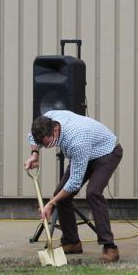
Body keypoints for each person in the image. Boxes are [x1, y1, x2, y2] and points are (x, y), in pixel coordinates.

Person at [25, 110, 123, 263]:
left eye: (47, 143)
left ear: (55, 130)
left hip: (106, 152)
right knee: (61, 195)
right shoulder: (48, 119)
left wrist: (51, 203)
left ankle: (110, 247)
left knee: (93, 193)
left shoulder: (76, 141)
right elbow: (32, 137)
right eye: (43, 144)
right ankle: (72, 243)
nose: (46, 146)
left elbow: (75, 182)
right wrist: (34, 153)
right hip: (86, 153)